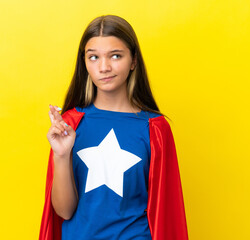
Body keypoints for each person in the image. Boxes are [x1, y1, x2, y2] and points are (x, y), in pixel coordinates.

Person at [39, 15, 188, 240]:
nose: (104, 67)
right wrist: (61, 155)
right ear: (85, 63)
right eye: (94, 57)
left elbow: (167, 212)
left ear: (133, 60)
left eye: (115, 56)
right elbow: (64, 211)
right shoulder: (70, 123)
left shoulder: (155, 128)